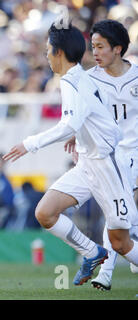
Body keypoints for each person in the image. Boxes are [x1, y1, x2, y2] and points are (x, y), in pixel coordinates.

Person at [3, 21, 138, 286]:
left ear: (59, 53)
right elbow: (91, 117)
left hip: (109, 165)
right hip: (89, 162)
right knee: (45, 212)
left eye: (48, 50)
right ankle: (91, 253)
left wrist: (29, 144)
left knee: (121, 242)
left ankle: (108, 271)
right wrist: (80, 136)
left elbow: (70, 124)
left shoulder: (74, 82)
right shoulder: (82, 78)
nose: (46, 56)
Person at [80, 19, 138, 290]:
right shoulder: (90, 79)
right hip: (108, 155)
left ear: (118, 48)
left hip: (134, 153)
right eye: (93, 47)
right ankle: (109, 270)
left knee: (118, 214)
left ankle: (106, 272)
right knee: (119, 214)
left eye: (101, 47)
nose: (95, 53)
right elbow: (80, 115)